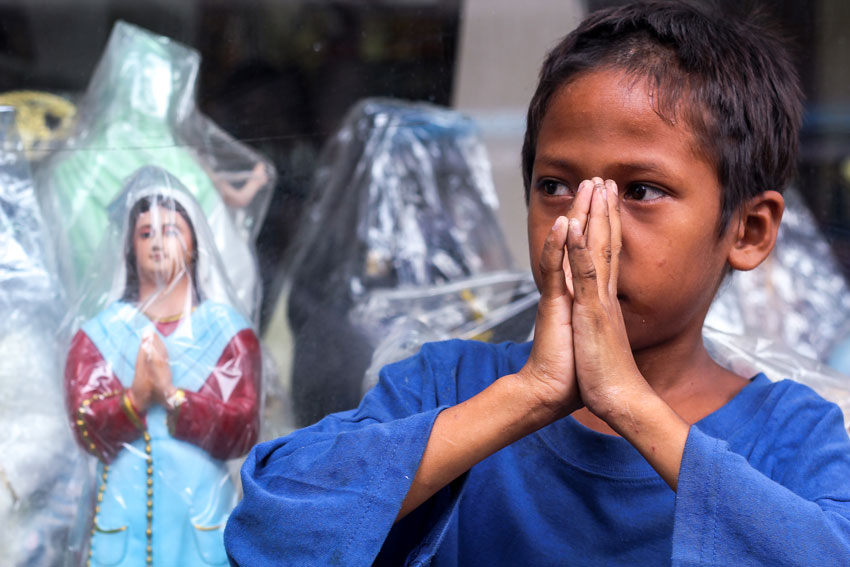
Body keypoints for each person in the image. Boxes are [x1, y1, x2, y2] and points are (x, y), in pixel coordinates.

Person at [224, 2, 850, 565]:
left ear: (748, 230)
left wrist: (631, 405)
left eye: (642, 192)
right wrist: (531, 394)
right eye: (556, 186)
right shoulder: (449, 387)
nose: (586, 229)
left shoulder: (793, 433)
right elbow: (268, 529)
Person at [65, 166, 262, 567]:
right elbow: (84, 426)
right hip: (121, 530)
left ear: (193, 242)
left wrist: (175, 398)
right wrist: (135, 398)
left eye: (170, 230)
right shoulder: (98, 334)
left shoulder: (228, 333)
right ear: (129, 247)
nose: (157, 243)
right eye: (145, 233)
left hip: (201, 527)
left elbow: (244, 427)